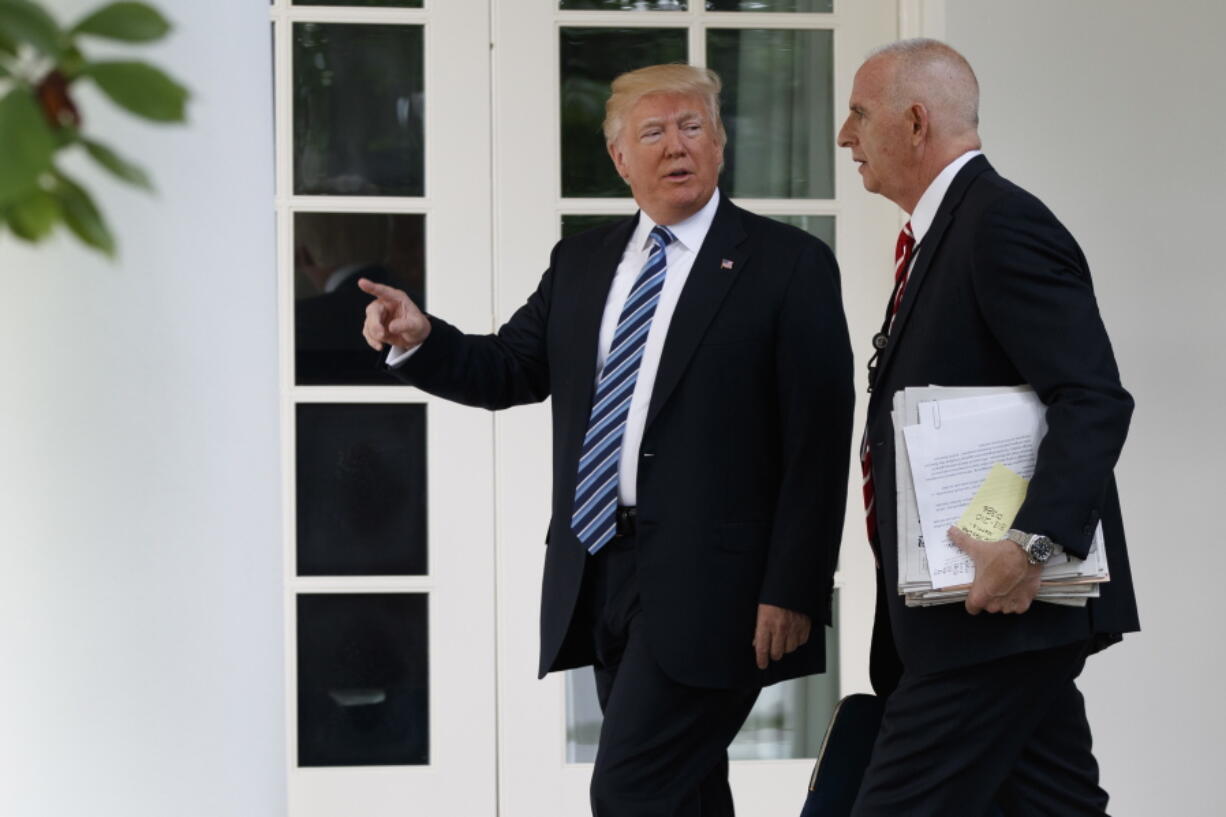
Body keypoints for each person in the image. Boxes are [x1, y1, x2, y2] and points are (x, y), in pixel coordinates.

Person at [360, 64, 854, 816]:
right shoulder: (583, 262)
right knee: (686, 793)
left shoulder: (788, 265)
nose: (675, 145)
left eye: (693, 126)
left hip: (719, 587)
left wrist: (793, 587)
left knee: (629, 789)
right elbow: (510, 369)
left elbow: (818, 442)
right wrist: (421, 340)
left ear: (720, 144)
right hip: (600, 569)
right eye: (652, 132)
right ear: (621, 159)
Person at [837, 39, 1139, 815]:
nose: (844, 135)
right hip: (984, 622)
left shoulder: (1000, 225)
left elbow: (1093, 396)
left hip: (991, 617)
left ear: (913, 121)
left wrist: (1034, 543)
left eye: (859, 115)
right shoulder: (948, 232)